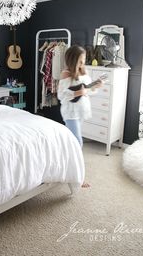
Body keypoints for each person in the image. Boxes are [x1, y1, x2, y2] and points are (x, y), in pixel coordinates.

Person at [57, 45, 102, 188]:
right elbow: (61, 95)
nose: (83, 63)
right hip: (71, 112)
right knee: (78, 143)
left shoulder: (83, 72)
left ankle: (64, 169)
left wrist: (96, 87)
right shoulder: (66, 73)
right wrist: (78, 93)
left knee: (71, 143)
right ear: (72, 60)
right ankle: (78, 178)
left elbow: (87, 92)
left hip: (81, 110)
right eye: (80, 61)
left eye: (84, 60)